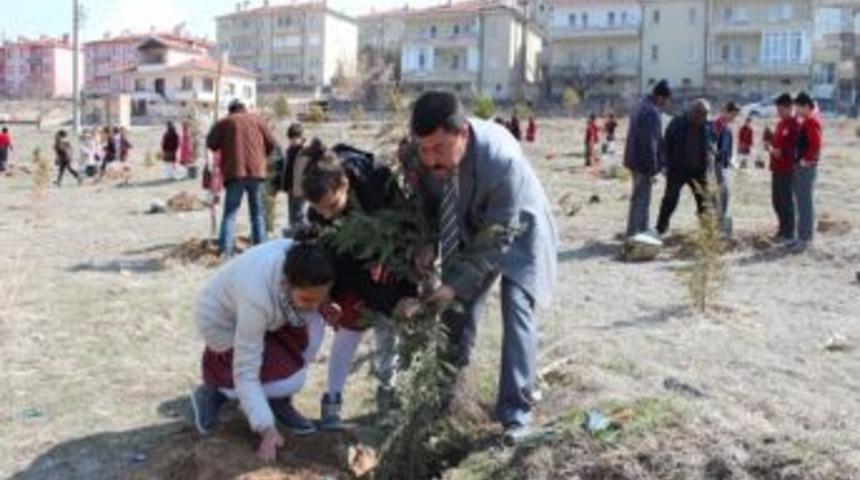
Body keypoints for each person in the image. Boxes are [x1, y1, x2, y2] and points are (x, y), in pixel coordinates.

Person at [408, 91, 558, 445]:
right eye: (424, 150)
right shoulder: (424, 155)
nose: (430, 159)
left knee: (516, 307)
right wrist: (427, 241)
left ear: (463, 133)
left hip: (518, 228)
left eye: (440, 149)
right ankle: (445, 399)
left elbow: (498, 240)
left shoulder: (502, 160)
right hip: (469, 225)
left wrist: (454, 285)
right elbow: (426, 203)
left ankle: (515, 415)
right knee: (457, 311)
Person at [300, 139, 417, 430]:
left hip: (391, 261)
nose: (327, 215)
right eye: (320, 210)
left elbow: (406, 237)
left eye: (332, 206)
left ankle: (387, 392)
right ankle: (332, 400)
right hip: (350, 269)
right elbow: (342, 264)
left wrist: (405, 296)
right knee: (350, 327)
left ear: (344, 184)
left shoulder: (377, 184)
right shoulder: (319, 214)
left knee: (389, 326)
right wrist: (331, 295)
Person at [190, 231, 334, 461]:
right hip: (221, 323)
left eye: (321, 297)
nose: (315, 305)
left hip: (269, 314)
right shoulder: (256, 299)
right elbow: (246, 371)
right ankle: (216, 391)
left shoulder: (303, 257)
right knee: (290, 380)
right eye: (308, 299)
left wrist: (323, 305)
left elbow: (312, 303)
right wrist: (266, 429)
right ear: (286, 284)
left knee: (315, 323)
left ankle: (277, 400)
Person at [207, 99, 278, 257]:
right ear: (244, 108)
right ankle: (261, 249)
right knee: (257, 213)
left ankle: (225, 250)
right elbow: (272, 143)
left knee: (230, 214)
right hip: (256, 173)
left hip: (234, 173)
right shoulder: (258, 120)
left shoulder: (225, 122)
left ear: (230, 110)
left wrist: (214, 127)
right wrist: (261, 157)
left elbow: (211, 144)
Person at [655, 99, 715, 235]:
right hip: (677, 170)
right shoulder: (677, 123)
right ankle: (660, 228)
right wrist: (665, 165)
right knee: (670, 200)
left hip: (699, 171)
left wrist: (712, 152)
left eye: (706, 115)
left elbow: (712, 141)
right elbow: (665, 145)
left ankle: (706, 232)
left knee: (704, 200)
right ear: (693, 112)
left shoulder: (707, 125)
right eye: (702, 114)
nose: (704, 118)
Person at [624, 80, 672, 237]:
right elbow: (650, 143)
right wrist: (652, 170)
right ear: (660, 97)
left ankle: (640, 232)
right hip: (643, 164)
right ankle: (635, 235)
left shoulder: (640, 105)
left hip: (634, 160)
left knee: (639, 199)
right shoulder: (651, 112)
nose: (667, 103)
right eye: (666, 100)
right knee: (641, 200)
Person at [765, 93, 799, 244]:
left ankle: (789, 232)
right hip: (776, 168)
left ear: (790, 108)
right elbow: (777, 143)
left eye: (781, 110)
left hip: (788, 169)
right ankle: (782, 228)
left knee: (786, 201)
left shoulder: (795, 125)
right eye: (777, 109)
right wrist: (770, 144)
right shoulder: (780, 124)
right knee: (776, 200)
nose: (778, 112)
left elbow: (794, 149)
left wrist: (781, 152)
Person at [791, 92, 822, 252]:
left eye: (797, 107)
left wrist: (805, 160)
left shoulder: (812, 121)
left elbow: (815, 144)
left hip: (806, 167)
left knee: (804, 203)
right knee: (801, 202)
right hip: (802, 166)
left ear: (805, 106)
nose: (796, 110)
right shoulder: (807, 120)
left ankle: (805, 239)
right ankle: (801, 236)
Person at [713, 101, 741, 230]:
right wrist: (718, 157)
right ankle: (718, 219)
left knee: (724, 193)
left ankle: (720, 218)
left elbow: (727, 148)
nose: (734, 118)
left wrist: (730, 160)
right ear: (726, 111)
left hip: (724, 165)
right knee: (721, 193)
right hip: (716, 165)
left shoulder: (727, 127)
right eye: (733, 115)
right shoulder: (717, 125)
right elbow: (712, 146)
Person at [281, 122, 308, 233]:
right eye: (291, 139)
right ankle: (294, 234)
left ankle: (303, 235)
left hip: (302, 188)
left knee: (300, 213)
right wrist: (284, 185)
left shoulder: (305, 151)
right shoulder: (289, 150)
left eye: (295, 138)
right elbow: (287, 169)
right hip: (291, 187)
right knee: (292, 214)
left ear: (301, 137)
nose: (293, 141)